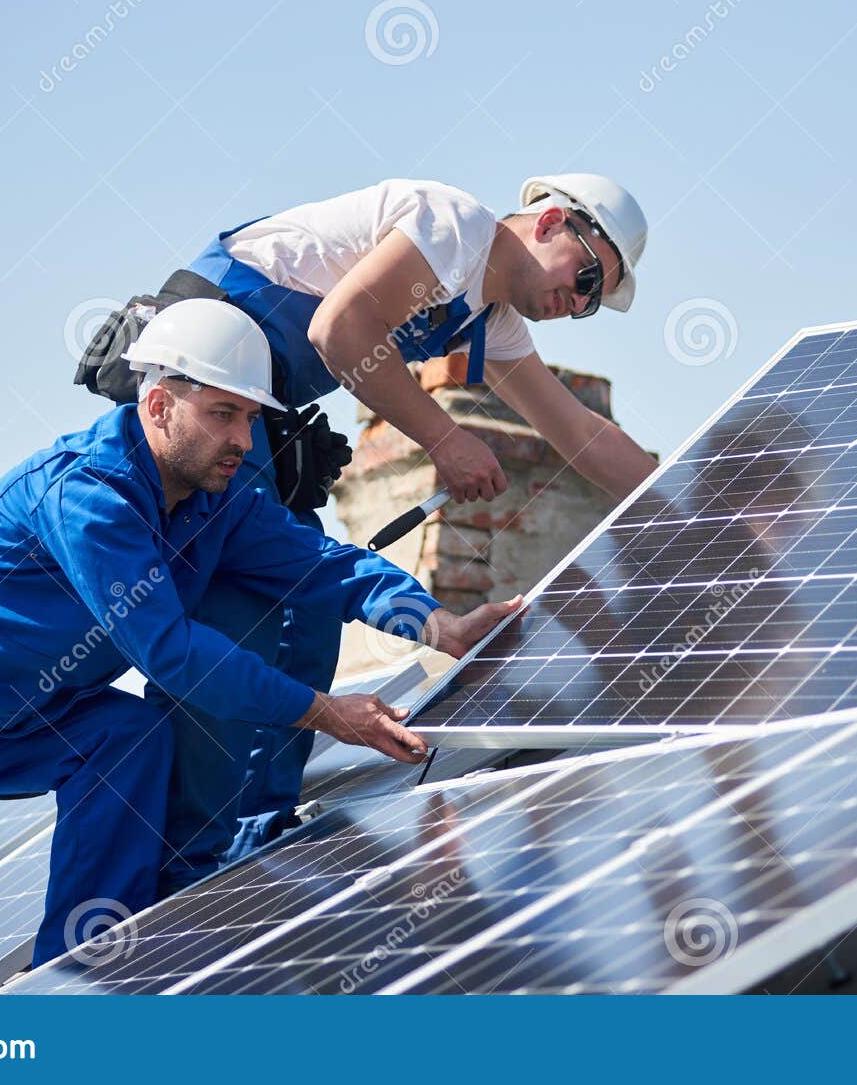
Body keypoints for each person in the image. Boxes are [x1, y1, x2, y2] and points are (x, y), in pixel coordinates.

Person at [0, 300, 516, 993]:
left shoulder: (216, 504)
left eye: (250, 418)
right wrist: (322, 712)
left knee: (127, 734)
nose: (242, 440)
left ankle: (73, 984)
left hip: (11, 719)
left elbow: (325, 565)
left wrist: (433, 624)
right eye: (223, 414)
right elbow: (173, 655)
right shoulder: (88, 495)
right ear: (158, 404)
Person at [76, 175, 660, 891]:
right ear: (551, 222)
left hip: (259, 407)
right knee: (246, 618)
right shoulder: (454, 226)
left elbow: (581, 435)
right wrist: (444, 438)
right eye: (587, 278)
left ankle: (256, 842)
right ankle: (193, 865)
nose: (576, 305)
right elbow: (339, 329)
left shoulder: (490, 320)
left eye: (592, 304)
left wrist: (700, 495)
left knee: (309, 616)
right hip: (206, 387)